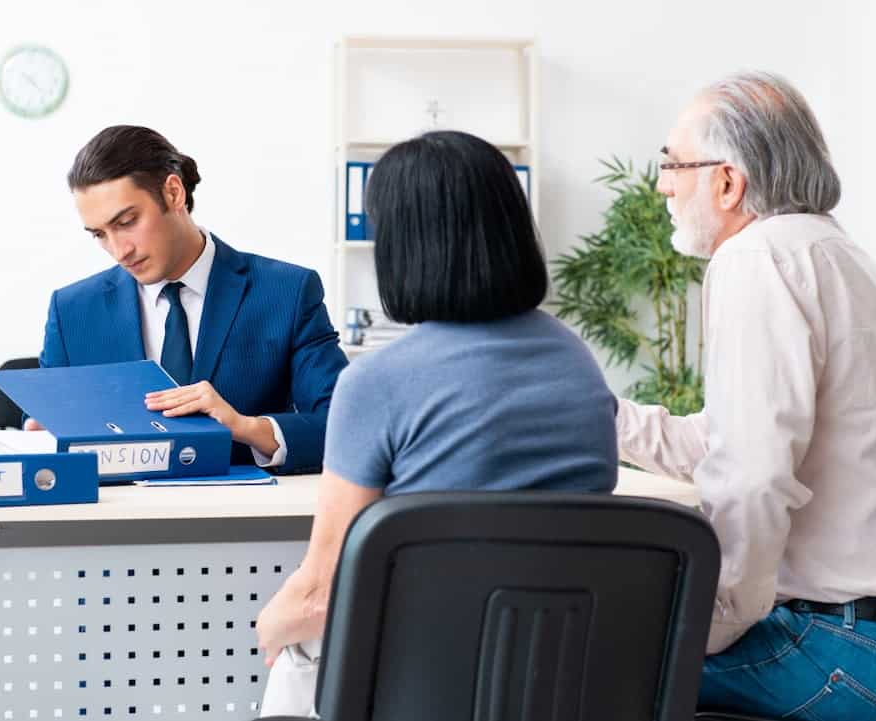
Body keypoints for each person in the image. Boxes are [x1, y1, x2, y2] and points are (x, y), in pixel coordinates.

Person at [617, 71, 876, 721]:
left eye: (672, 162)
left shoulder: (758, 261)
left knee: (593, 659)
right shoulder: (834, 253)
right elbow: (736, 441)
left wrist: (709, 622)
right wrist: (604, 417)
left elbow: (752, 480)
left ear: (727, 180)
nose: (662, 183)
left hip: (839, 652)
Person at [253, 130, 620, 716]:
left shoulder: (378, 382)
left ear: (401, 243)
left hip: (421, 681)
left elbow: (322, 594)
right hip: (556, 678)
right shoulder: (578, 364)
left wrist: (268, 627)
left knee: (294, 650)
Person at [31, 125, 347, 474]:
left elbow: (345, 425)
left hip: (244, 520)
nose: (119, 250)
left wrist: (246, 427)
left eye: (127, 222)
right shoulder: (73, 311)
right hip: (115, 521)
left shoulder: (286, 292)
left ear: (174, 193)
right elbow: (47, 435)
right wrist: (41, 436)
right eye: (99, 235)